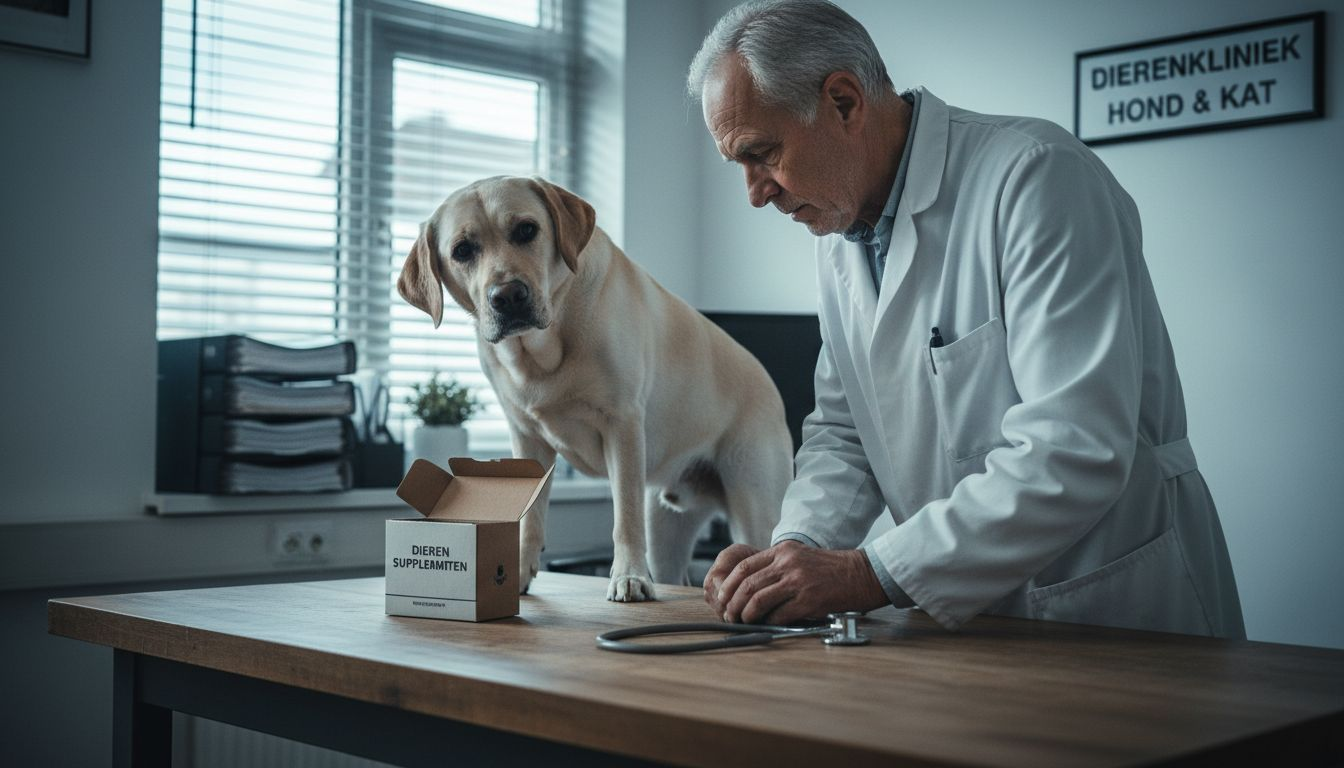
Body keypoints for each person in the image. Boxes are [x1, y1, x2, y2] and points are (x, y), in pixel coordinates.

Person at [688, 0, 1245, 638]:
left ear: (843, 102)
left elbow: (1074, 445)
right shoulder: (838, 232)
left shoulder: (1036, 177)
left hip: (1107, 598)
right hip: (965, 617)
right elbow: (846, 433)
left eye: (762, 154)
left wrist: (867, 573)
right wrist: (795, 549)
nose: (756, 193)